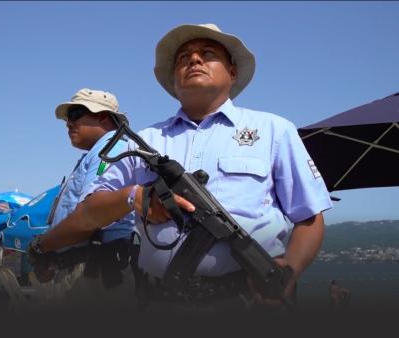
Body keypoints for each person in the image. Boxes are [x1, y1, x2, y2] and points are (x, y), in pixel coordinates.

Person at [36, 24, 332, 312]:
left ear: (232, 72)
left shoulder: (274, 130)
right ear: (174, 80)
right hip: (159, 303)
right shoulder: (144, 142)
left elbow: (308, 216)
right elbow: (88, 212)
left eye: (207, 53)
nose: (194, 59)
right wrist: (135, 197)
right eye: (183, 58)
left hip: (247, 301)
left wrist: (290, 268)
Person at [27, 88, 137, 309]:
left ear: (104, 117)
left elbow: (89, 217)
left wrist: (41, 247)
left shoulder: (110, 150)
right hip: (87, 267)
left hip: (98, 271)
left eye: (75, 114)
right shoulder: (98, 153)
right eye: (68, 118)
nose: (68, 123)